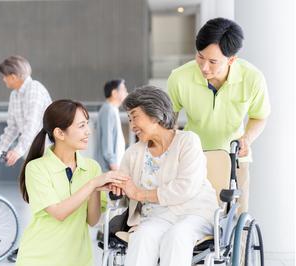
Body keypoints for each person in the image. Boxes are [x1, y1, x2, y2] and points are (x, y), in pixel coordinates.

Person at [167, 18, 271, 213]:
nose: (204, 67)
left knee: (236, 219)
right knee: (193, 218)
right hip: (194, 158)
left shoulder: (253, 79)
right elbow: (167, 119)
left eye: (213, 61)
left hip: (234, 159)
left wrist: (247, 138)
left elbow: (259, 116)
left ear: (231, 59)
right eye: (200, 56)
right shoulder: (179, 77)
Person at [111, 86, 218, 266]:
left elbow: (185, 188)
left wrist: (139, 194)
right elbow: (122, 186)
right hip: (157, 217)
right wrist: (115, 186)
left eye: (135, 117)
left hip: (195, 213)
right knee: (142, 237)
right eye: (129, 119)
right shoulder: (133, 153)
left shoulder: (188, 141)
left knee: (177, 236)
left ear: (155, 114)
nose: (131, 126)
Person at [16, 99, 126, 266]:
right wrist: (92, 185)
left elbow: (92, 220)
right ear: (60, 133)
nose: (88, 131)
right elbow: (59, 213)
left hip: (78, 259)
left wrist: (95, 189)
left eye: (87, 124)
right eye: (81, 126)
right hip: (39, 258)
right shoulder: (36, 168)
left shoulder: (91, 168)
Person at [0, 55, 52, 166]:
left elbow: (32, 125)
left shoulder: (34, 88)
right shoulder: (14, 94)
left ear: (13, 77)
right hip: (32, 151)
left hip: (47, 150)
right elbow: (12, 128)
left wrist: (18, 150)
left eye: (4, 76)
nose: (3, 79)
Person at [95, 79, 128, 172]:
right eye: (124, 90)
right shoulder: (108, 109)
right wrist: (112, 163)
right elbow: (107, 137)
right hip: (108, 168)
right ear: (114, 93)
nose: (126, 92)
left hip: (112, 166)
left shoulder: (113, 109)